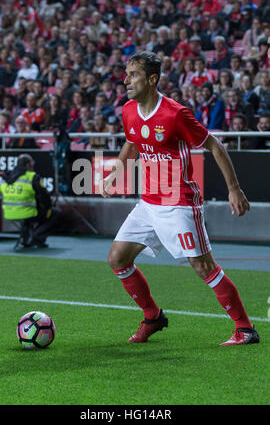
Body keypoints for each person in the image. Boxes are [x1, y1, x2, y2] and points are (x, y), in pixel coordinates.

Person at [99, 51, 260, 346]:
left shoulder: (175, 113)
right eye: (126, 74)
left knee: (203, 267)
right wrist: (115, 174)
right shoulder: (128, 111)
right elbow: (132, 144)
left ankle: (245, 329)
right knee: (117, 259)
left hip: (180, 203)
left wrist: (234, 189)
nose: (126, 80)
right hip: (148, 203)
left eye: (133, 74)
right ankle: (153, 317)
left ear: (152, 79)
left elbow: (215, 146)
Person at [0, 154, 62, 248]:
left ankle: (26, 238)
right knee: (54, 213)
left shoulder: (7, 176)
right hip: (26, 212)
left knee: (30, 213)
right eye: (32, 162)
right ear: (28, 165)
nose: (33, 164)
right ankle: (36, 238)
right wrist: (48, 206)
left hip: (8, 213)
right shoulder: (32, 177)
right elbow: (44, 197)